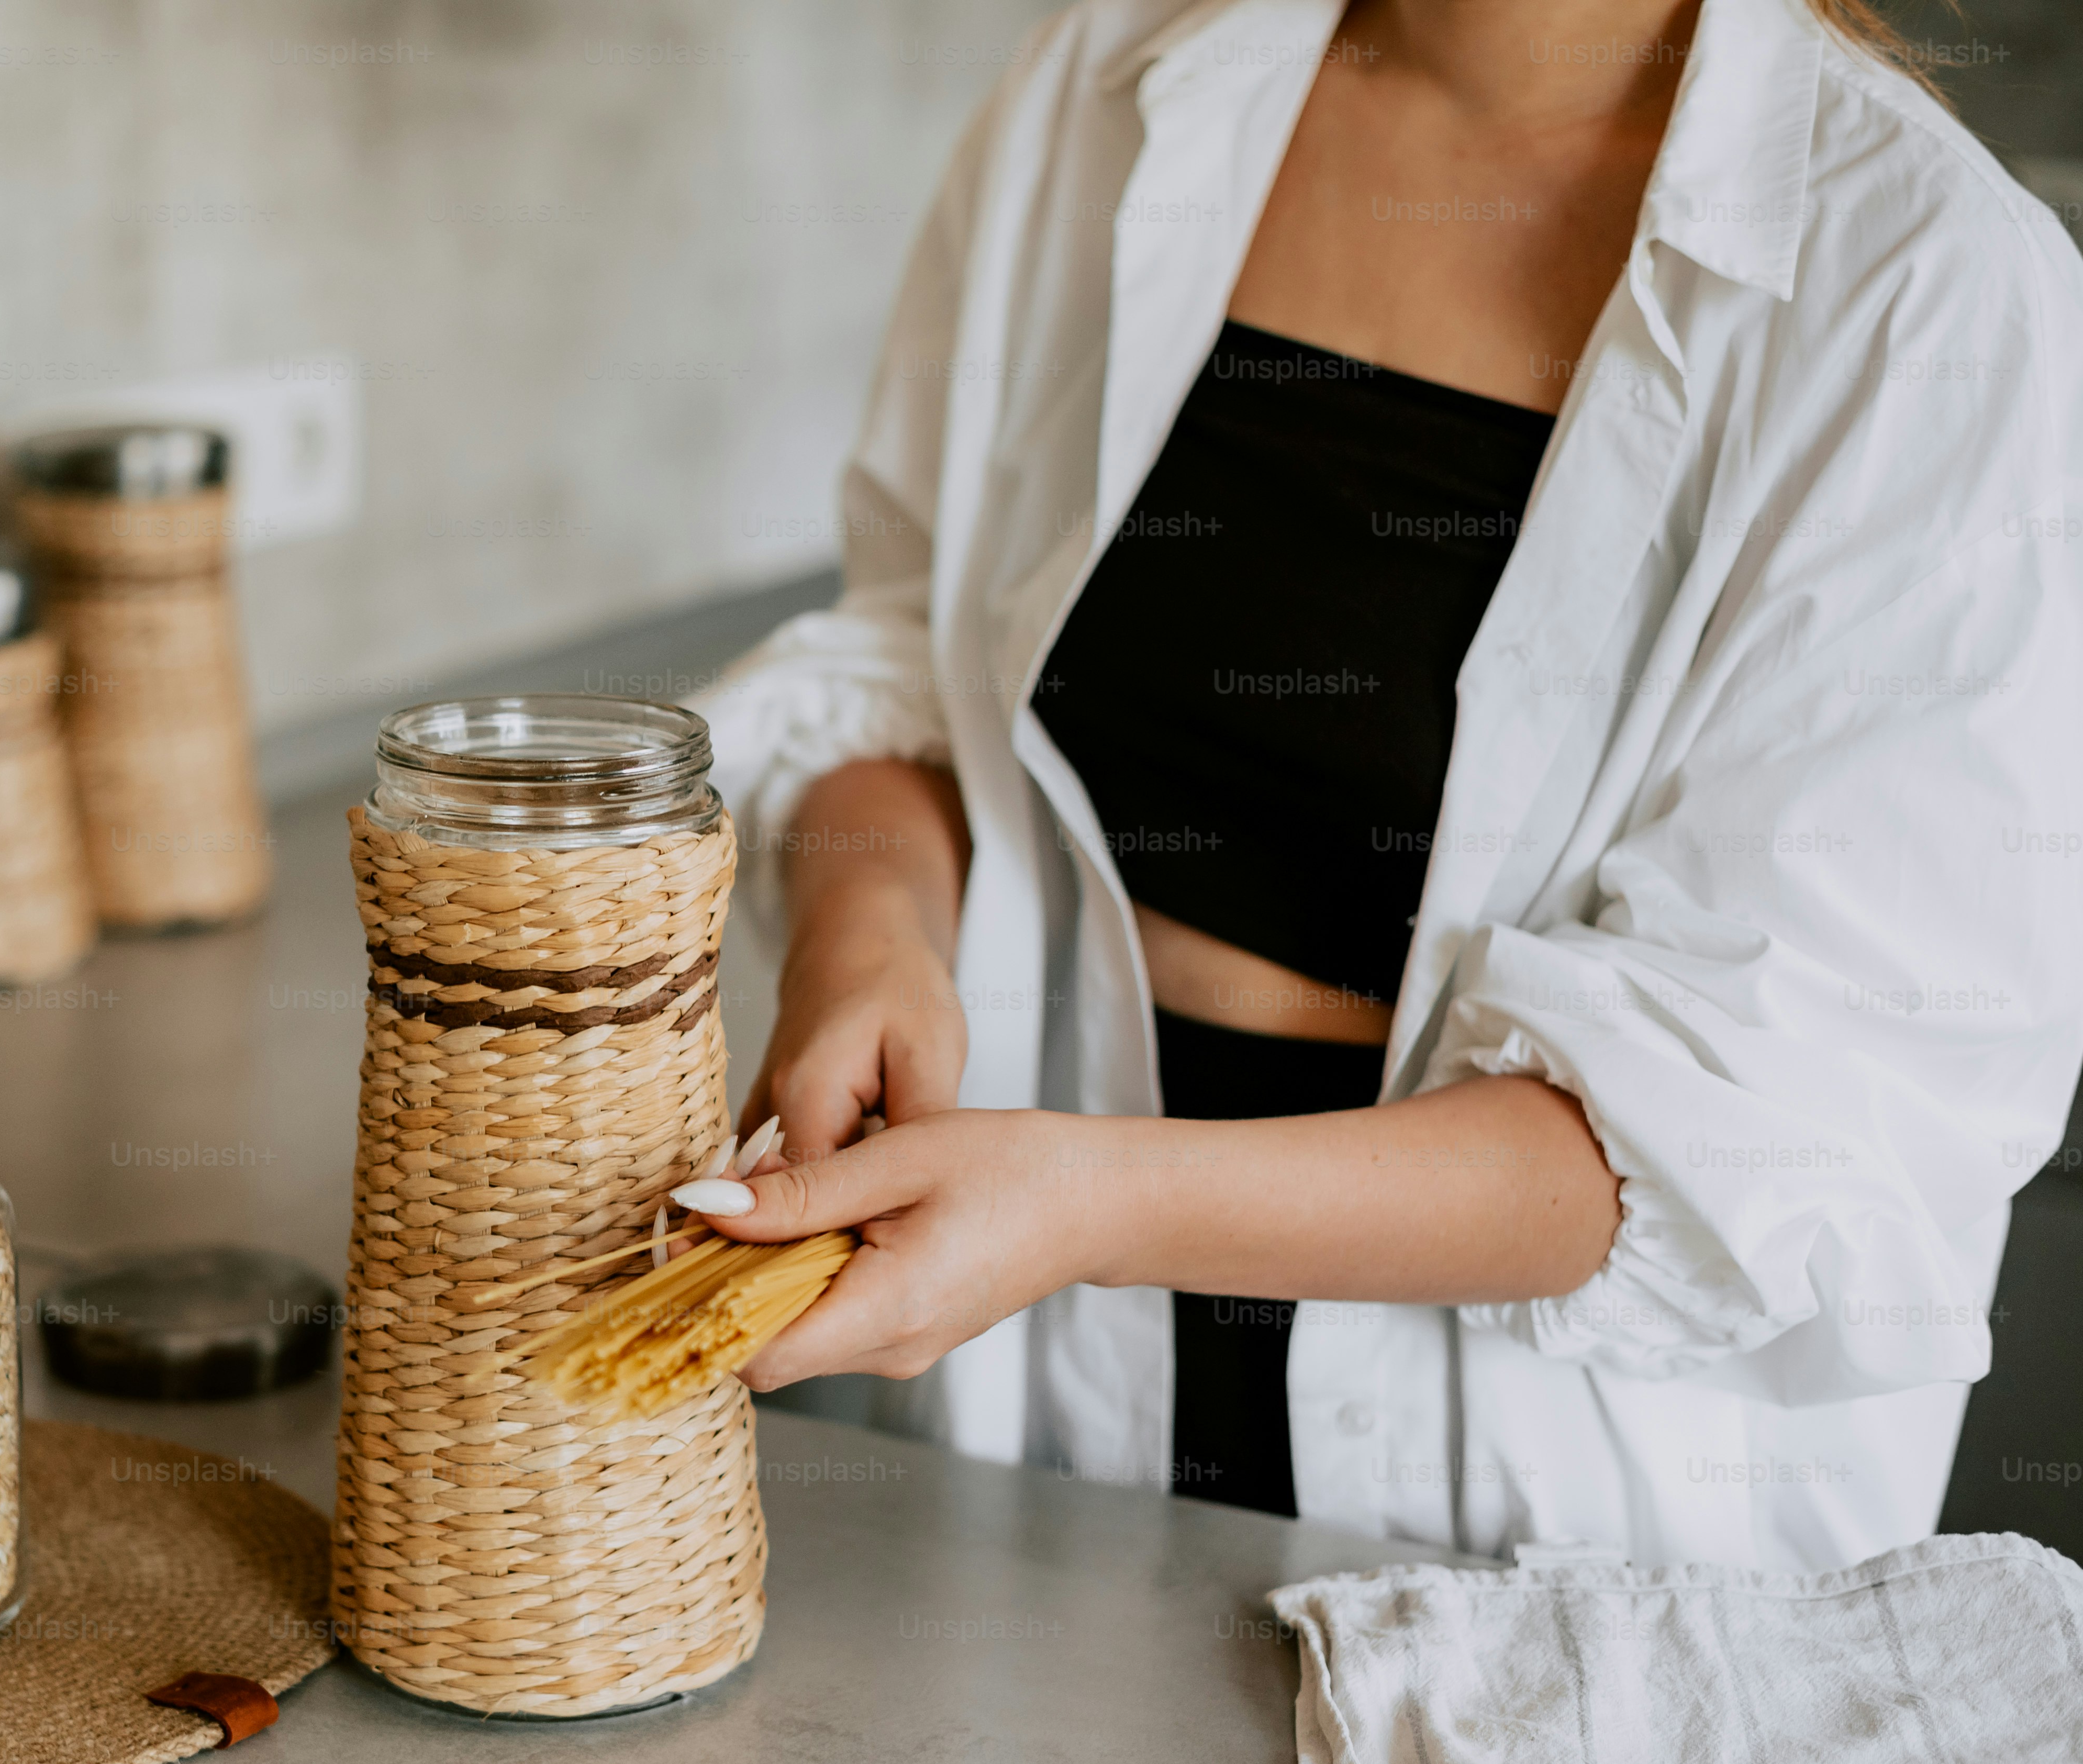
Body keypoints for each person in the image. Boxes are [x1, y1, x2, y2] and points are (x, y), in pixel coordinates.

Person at [687, 0, 2083, 1571]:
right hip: (1023, 1430)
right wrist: (870, 936)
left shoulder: (1931, 291)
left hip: (1559, 1541)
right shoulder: (1109, 77)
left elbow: (1760, 1123)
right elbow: (909, 645)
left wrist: (1088, 1207)